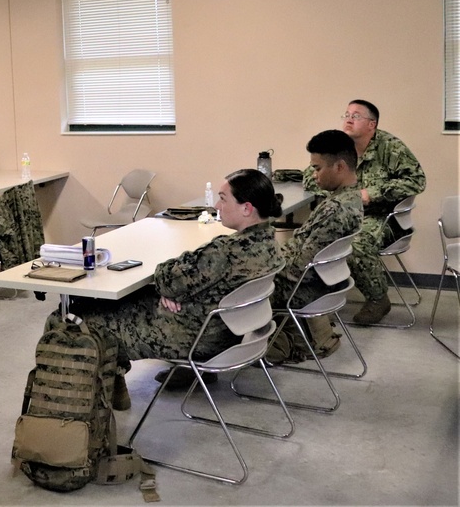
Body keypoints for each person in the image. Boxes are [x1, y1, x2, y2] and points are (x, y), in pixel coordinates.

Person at [55, 169, 284, 410]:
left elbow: (165, 277)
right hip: (226, 332)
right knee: (124, 301)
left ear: (246, 208)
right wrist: (175, 291)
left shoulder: (225, 252)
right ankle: (114, 387)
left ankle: (72, 413)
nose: (217, 205)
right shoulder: (269, 245)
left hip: (193, 336)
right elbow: (179, 282)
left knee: (75, 318)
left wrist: (172, 289)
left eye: (223, 199)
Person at [303, 100, 426, 324]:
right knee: (313, 239)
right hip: (345, 214)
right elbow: (311, 175)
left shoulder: (390, 147)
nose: (349, 119)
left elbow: (416, 181)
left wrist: (373, 193)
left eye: (356, 116)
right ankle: (320, 302)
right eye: (347, 114)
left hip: (382, 217)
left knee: (354, 243)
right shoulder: (340, 146)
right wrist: (336, 191)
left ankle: (378, 299)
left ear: (372, 124)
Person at [269, 130, 363, 364]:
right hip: (320, 284)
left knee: (223, 287)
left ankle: (203, 362)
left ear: (339, 167)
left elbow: (297, 272)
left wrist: (259, 270)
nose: (314, 175)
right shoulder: (348, 200)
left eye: (317, 168)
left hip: (303, 289)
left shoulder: (335, 210)